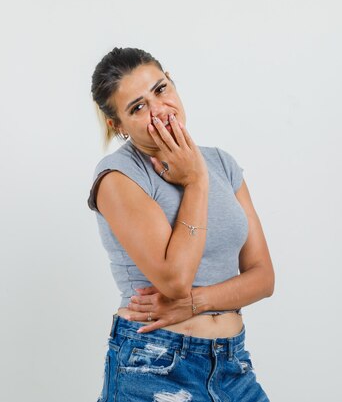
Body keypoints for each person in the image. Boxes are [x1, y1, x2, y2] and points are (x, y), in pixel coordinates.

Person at [88, 47, 274, 402]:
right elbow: (175, 280)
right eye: (137, 107)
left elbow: (263, 278)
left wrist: (196, 303)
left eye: (160, 89)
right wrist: (195, 183)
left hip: (233, 365)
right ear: (117, 125)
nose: (158, 109)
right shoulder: (119, 177)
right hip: (155, 364)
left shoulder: (221, 163)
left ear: (172, 82)